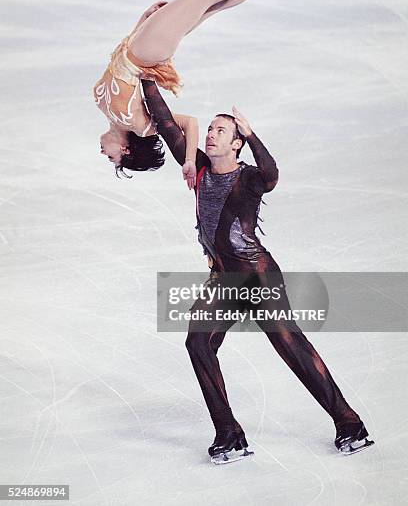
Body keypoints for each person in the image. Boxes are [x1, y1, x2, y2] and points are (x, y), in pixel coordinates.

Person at [140, 78, 375, 463]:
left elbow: (272, 174)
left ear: (236, 144)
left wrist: (253, 133)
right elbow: (166, 122)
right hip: (223, 279)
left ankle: (348, 422)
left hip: (257, 276)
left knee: (290, 346)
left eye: (222, 131)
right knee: (198, 342)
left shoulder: (249, 177)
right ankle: (228, 433)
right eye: (211, 129)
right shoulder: (198, 168)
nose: (212, 135)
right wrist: (146, 76)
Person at [93, 0, 298, 183]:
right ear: (125, 150)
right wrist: (189, 161)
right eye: (111, 157)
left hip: (136, 45)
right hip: (146, 52)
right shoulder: (141, 126)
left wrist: (139, 23)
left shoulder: (109, 113)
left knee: (213, 5)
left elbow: (113, 65)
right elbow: (189, 123)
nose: (103, 152)